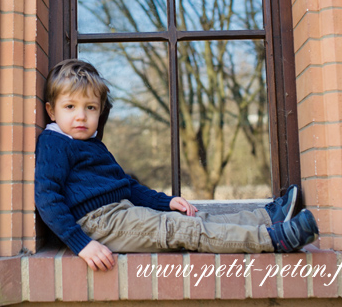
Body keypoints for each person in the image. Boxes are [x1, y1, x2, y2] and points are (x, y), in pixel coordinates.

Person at [35, 59, 319, 271]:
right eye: (70, 107)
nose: (81, 116)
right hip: (98, 224)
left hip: (122, 213)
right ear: (51, 110)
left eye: (90, 108)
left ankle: (268, 218)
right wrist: (81, 244)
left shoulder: (92, 144)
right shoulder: (55, 143)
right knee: (183, 230)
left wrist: (166, 202)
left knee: (194, 219)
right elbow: (47, 198)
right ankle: (273, 240)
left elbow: (127, 188)